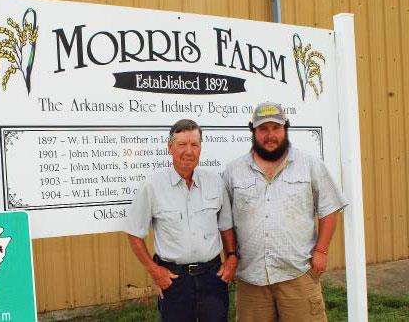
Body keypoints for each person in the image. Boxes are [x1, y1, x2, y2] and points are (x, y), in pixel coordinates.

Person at [222, 102, 347, 321]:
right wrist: (231, 255)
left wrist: (322, 251)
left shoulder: (309, 164)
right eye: (263, 129)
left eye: (275, 128)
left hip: (297, 274)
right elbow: (225, 221)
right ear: (252, 130)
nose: (270, 135)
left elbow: (329, 208)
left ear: (286, 128)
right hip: (251, 280)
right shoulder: (233, 172)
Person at [126, 119, 238, 322]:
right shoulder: (152, 186)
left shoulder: (215, 183)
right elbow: (134, 234)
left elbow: (226, 225)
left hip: (213, 277)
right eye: (182, 145)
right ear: (170, 148)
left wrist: (231, 257)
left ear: (200, 148)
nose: (189, 151)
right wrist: (154, 271)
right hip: (174, 280)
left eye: (194, 145)